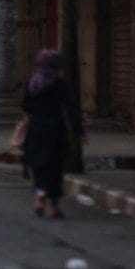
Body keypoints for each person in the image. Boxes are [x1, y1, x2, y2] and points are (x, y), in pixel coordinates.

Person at [22, 49, 85, 218]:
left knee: (39, 164)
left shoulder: (34, 82)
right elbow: (70, 107)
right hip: (56, 129)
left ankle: (40, 195)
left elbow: (26, 106)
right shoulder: (59, 82)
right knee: (55, 166)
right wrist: (78, 130)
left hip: (36, 129)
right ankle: (55, 206)